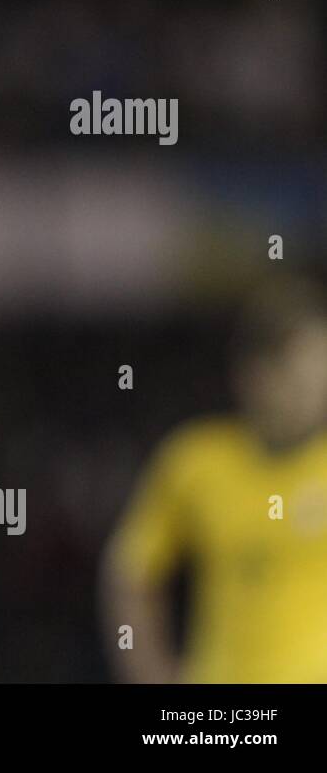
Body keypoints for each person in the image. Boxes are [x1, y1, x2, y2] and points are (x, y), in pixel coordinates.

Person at [101, 275, 327, 682]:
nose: (316, 389)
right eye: (303, 372)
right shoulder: (196, 462)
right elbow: (129, 573)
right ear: (257, 373)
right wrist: (150, 674)